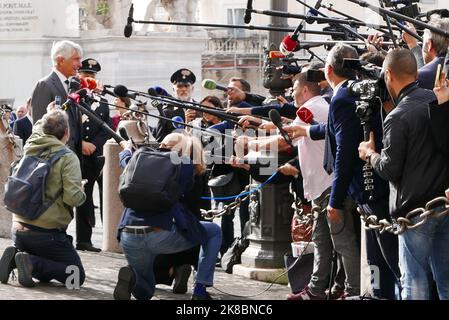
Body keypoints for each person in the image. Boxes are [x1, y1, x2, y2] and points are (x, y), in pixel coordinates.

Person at [358, 49, 449, 300]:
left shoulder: (398, 116)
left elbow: (390, 169)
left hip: (414, 211)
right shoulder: (439, 102)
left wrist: (369, 154)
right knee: (446, 280)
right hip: (444, 204)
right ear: (416, 72)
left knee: (414, 281)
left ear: (388, 75)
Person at [113, 133, 222, 300]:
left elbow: (125, 160)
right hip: (158, 233)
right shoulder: (183, 166)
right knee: (213, 231)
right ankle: (200, 290)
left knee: (145, 290)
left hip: (128, 233)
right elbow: (190, 182)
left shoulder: (138, 159)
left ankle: (133, 278)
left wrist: (127, 149)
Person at [280, 72, 359, 300]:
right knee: (322, 242)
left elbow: (284, 139)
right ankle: (316, 290)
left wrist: (251, 144)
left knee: (342, 242)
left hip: (329, 188)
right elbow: (299, 133)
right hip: (322, 188)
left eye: (294, 87)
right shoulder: (317, 107)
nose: (292, 93)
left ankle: (352, 292)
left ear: (305, 89)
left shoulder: (313, 107)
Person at [0, 110, 86, 287]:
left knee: (46, 278)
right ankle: (28, 262)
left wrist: (49, 113)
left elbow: (41, 128)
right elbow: (73, 199)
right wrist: (81, 189)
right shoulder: (68, 157)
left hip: (18, 230)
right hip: (46, 234)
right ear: (66, 132)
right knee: (76, 277)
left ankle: (19, 258)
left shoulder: (31, 146)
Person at [75, 58, 111, 252]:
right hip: (80, 155)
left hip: (97, 155)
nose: (89, 78)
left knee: (106, 197)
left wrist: (94, 146)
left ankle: (110, 237)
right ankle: (84, 239)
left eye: (92, 76)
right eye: (85, 75)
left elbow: (107, 128)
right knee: (84, 198)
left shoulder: (102, 102)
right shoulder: (74, 98)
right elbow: (70, 123)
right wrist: (81, 144)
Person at [30, 40, 83, 157]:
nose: (80, 64)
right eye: (76, 59)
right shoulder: (44, 85)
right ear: (60, 60)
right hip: (54, 160)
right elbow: (39, 128)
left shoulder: (74, 85)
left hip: (73, 158)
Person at [154, 68, 197, 142]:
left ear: (192, 88)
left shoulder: (200, 108)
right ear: (173, 89)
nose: (183, 89)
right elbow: (160, 139)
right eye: (179, 86)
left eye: (186, 86)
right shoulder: (166, 112)